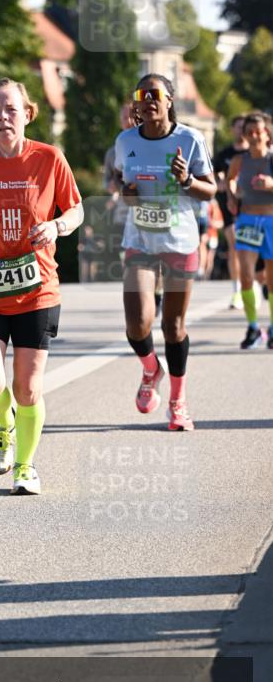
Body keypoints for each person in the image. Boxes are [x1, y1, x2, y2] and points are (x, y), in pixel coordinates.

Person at [0, 78, 83, 495]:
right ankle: (4, 424)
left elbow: (75, 209)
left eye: (10, 109)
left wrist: (57, 226)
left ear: (27, 113)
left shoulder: (49, 158)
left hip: (37, 290)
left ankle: (25, 465)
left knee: (27, 388)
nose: (2, 117)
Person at [114, 74, 216, 431]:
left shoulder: (190, 139)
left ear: (169, 100)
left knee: (173, 326)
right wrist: (127, 194)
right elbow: (123, 187)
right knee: (136, 322)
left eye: (155, 94)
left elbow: (210, 190)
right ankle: (150, 369)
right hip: (140, 240)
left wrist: (187, 180)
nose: (148, 100)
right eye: (141, 94)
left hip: (179, 242)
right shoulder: (126, 140)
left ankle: (177, 403)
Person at [226, 111, 273, 349]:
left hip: (271, 220)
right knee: (246, 275)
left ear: (267, 134)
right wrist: (231, 196)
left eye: (258, 131)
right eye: (249, 132)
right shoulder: (240, 160)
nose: (254, 136)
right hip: (247, 220)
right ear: (244, 135)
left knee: (272, 280)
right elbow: (230, 179)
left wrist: (271, 184)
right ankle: (253, 327)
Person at [214, 114, 248, 308]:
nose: (241, 130)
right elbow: (210, 175)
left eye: (244, 126)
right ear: (232, 129)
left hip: (253, 206)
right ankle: (237, 291)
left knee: (251, 249)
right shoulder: (224, 154)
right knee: (235, 244)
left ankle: (252, 283)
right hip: (229, 206)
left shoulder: (256, 153)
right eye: (238, 126)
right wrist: (220, 183)